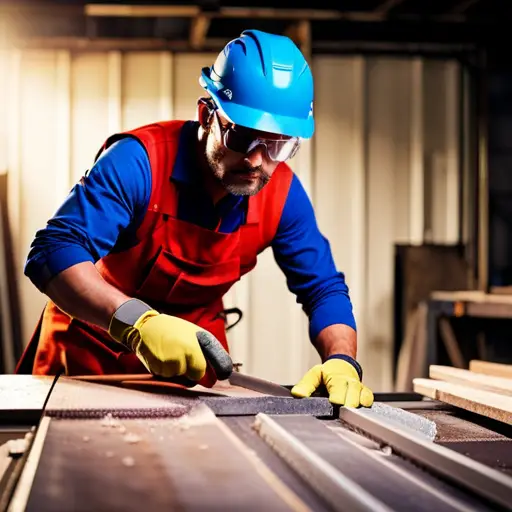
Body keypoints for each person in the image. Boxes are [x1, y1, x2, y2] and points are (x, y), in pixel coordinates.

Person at [16, 29, 373, 408]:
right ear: (207, 116)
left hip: (193, 368)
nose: (256, 160)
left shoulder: (283, 194)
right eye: (241, 137)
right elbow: (52, 251)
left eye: (277, 145)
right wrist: (139, 324)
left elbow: (322, 288)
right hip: (90, 355)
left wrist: (341, 359)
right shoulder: (139, 162)